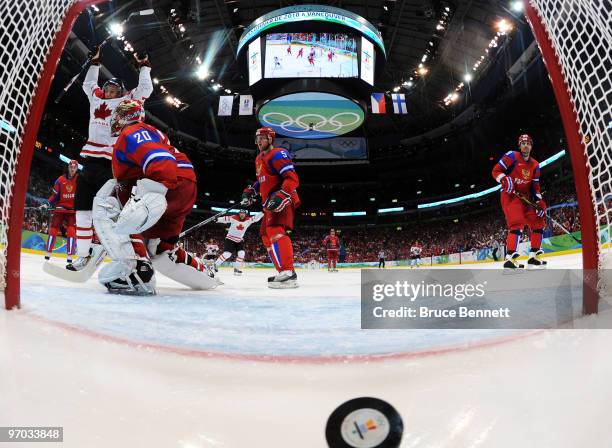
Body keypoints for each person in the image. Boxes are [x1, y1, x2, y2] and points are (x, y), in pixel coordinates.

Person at [92, 99, 218, 294]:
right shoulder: (150, 132)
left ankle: (136, 272)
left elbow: (159, 159)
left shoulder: (132, 131)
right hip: (181, 188)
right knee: (159, 248)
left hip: (165, 185)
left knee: (106, 201)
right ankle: (207, 279)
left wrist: (157, 191)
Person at [70, 47, 153, 272]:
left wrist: (144, 66)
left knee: (111, 211)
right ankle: (82, 255)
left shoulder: (127, 102)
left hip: (111, 166)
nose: (108, 91)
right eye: (107, 87)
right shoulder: (96, 100)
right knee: (82, 212)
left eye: (114, 88)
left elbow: (146, 88)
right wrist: (95, 64)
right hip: (90, 164)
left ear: (121, 91)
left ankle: (126, 254)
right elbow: (88, 85)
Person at [241, 127, 300, 288]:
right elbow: (262, 180)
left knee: (275, 230)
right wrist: (251, 190)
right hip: (268, 202)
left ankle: (288, 273)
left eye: (262, 138)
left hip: (282, 198)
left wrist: (281, 195)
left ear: (271, 139)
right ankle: (283, 271)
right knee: (265, 235)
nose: (258, 141)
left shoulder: (278, 154)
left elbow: (292, 178)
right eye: (257, 138)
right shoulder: (259, 158)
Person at [492, 134, 547, 269]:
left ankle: (533, 256)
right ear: (519, 145)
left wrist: (539, 201)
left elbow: (535, 186)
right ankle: (510, 258)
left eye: (528, 143)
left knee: (538, 222)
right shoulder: (511, 156)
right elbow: (495, 171)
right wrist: (504, 179)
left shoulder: (535, 165)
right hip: (510, 195)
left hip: (526, 198)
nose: (526, 145)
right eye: (523, 143)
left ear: (531, 145)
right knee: (517, 223)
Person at [43, 160, 78, 264]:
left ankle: (69, 256)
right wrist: (47, 204)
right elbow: (54, 196)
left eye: (74, 168)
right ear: (68, 167)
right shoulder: (60, 180)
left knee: (71, 231)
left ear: (76, 169)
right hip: (60, 209)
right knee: (53, 229)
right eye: (71, 167)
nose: (72, 169)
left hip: (72, 211)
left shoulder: (80, 180)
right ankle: (48, 253)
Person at [214, 210, 263, 275]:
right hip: (230, 239)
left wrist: (262, 212)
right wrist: (217, 219)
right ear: (239, 214)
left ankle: (236, 269)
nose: (242, 214)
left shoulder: (248, 220)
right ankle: (215, 265)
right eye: (241, 213)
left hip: (239, 240)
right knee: (227, 254)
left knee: (242, 253)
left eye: (243, 213)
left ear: (245, 214)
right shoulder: (234, 217)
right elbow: (225, 219)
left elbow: (256, 218)